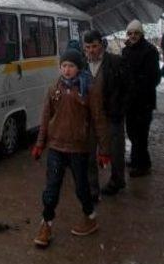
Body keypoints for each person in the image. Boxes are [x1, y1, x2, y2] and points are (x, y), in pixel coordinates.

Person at [31, 49, 111, 247]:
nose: (67, 70)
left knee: (82, 188)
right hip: (56, 146)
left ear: (79, 68)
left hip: (79, 148)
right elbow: (45, 118)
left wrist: (104, 150)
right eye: (64, 66)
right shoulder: (54, 89)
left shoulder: (88, 89)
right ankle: (46, 224)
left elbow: (99, 120)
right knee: (51, 188)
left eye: (71, 66)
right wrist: (40, 144)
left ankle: (90, 217)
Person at [83, 30, 127, 197]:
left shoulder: (115, 62)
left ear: (101, 44)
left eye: (94, 46)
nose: (91, 50)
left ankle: (117, 180)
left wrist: (120, 109)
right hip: (90, 117)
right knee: (89, 153)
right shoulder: (81, 64)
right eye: (88, 47)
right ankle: (92, 188)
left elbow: (127, 87)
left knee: (115, 151)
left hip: (111, 114)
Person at [122, 20, 161, 177]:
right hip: (130, 101)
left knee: (141, 134)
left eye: (136, 33)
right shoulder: (126, 51)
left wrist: (139, 84)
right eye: (130, 33)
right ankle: (135, 159)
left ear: (141, 34)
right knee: (131, 132)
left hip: (144, 101)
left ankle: (143, 165)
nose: (133, 36)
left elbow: (154, 77)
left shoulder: (150, 51)